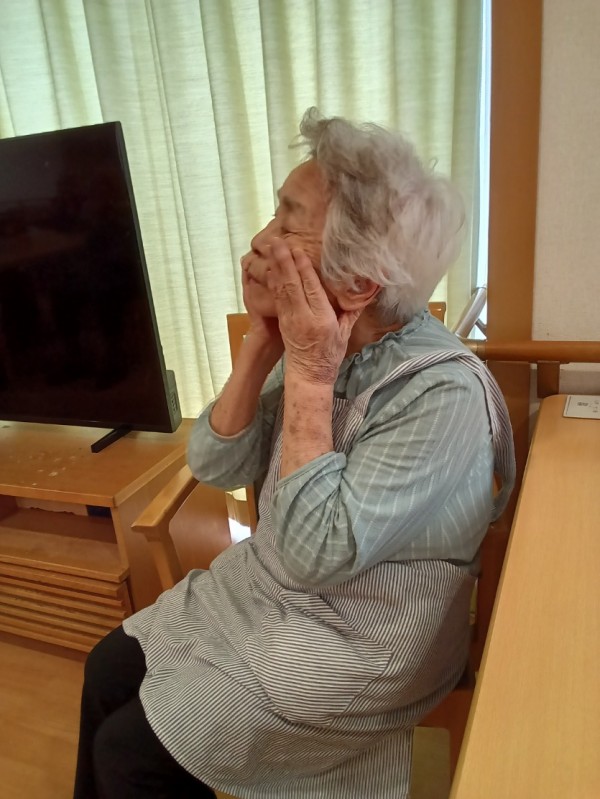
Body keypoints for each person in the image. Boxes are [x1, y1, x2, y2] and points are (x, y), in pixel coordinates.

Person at [74, 108, 515, 799]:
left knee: (129, 754)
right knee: (107, 667)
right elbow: (217, 465)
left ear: (359, 283)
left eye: (287, 220)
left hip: (370, 637)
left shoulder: (441, 394)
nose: (260, 239)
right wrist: (262, 342)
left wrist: (308, 370)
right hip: (278, 591)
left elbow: (318, 553)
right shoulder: (327, 334)